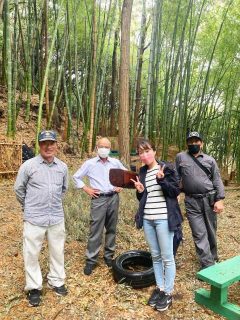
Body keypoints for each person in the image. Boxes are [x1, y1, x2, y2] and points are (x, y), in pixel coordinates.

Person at [14, 130, 68, 307]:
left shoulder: (62, 167)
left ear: (56, 145)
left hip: (56, 217)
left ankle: (57, 281)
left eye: (51, 143)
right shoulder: (28, 166)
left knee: (57, 251)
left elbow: (63, 190)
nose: (48, 146)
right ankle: (34, 287)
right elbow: (18, 190)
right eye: (44, 143)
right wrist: (29, 206)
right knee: (31, 253)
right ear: (39, 145)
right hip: (34, 218)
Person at [131, 139, 183, 312]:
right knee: (155, 256)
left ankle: (168, 292)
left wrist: (161, 180)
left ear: (154, 151)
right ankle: (160, 288)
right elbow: (145, 198)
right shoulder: (143, 172)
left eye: (147, 151)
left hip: (163, 218)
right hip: (148, 219)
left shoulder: (166, 168)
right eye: (140, 152)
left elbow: (175, 192)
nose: (144, 155)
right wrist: (140, 191)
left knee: (167, 257)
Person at [73, 137, 126, 276]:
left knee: (111, 228)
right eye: (101, 146)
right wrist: (86, 188)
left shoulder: (115, 162)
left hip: (113, 197)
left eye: (107, 147)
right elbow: (76, 177)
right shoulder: (90, 163)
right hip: (98, 199)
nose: (104, 149)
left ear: (110, 149)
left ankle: (109, 256)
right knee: (95, 229)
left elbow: (127, 175)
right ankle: (91, 260)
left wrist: (121, 184)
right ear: (97, 148)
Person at [175, 131, 224, 270]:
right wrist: (175, 192)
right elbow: (176, 177)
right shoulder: (181, 157)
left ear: (201, 143)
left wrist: (219, 199)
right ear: (187, 143)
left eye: (196, 141)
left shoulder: (210, 160)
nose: (193, 144)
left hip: (209, 199)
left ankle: (213, 256)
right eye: (190, 142)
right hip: (191, 201)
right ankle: (208, 265)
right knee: (198, 232)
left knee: (210, 230)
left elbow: (217, 179)